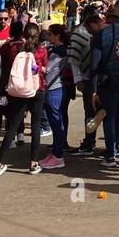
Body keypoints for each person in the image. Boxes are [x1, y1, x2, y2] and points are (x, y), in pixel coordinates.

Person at [0, 25, 50, 175]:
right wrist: (38, 69)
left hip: (18, 91)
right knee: (36, 126)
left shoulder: (15, 49)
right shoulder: (41, 50)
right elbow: (41, 69)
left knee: (12, 126)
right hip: (37, 89)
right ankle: (33, 163)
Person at [91, 4, 119, 166]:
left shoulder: (101, 35)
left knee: (109, 115)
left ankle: (111, 154)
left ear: (108, 18)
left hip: (107, 79)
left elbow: (95, 63)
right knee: (118, 113)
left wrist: (93, 89)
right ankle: (116, 146)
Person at [68, 8, 101, 153]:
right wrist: (78, 80)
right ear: (91, 23)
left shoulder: (94, 34)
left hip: (99, 80)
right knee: (90, 112)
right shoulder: (78, 35)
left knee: (100, 112)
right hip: (87, 80)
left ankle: (92, 141)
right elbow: (73, 60)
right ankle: (89, 141)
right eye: (99, 23)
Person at [42, 25, 72, 168]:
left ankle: (58, 156)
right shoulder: (56, 50)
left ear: (57, 36)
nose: (48, 37)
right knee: (56, 122)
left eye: (50, 34)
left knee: (56, 122)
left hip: (55, 89)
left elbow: (46, 68)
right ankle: (55, 152)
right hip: (55, 88)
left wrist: (33, 66)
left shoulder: (59, 52)